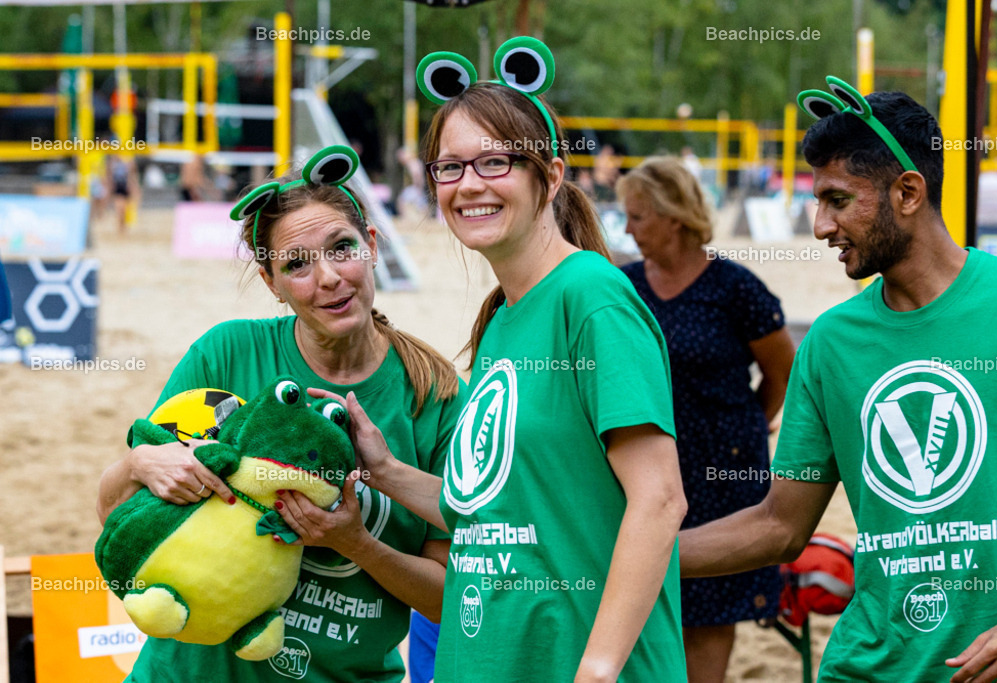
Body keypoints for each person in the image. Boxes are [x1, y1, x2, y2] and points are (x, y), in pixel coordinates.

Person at [337, 39, 688, 681]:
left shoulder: (590, 296)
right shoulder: (500, 318)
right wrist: (386, 470)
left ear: (551, 176)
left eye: (495, 162)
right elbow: (493, 513)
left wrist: (599, 668)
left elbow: (660, 499)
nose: (469, 185)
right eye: (450, 167)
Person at [678, 79, 997, 683]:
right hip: (868, 667)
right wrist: (628, 557)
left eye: (838, 200)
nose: (819, 226)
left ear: (908, 192)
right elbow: (779, 526)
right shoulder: (831, 344)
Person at [96, 145, 464, 682]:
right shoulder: (225, 355)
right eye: (297, 264)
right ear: (271, 282)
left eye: (342, 248)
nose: (329, 278)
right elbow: (113, 516)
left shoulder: (436, 397)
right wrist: (137, 466)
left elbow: (455, 604)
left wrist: (353, 543)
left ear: (373, 246)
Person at [617, 157, 795, 683]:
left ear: (674, 216)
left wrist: (750, 429)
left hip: (725, 472)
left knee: (711, 617)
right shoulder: (621, 287)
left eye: (639, 217)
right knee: (644, 597)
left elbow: (782, 371)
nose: (627, 228)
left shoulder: (735, 288)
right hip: (645, 468)